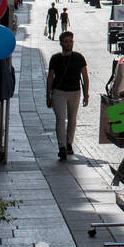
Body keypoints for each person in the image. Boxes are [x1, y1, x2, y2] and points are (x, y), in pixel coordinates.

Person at [46, 31, 89, 160]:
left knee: (72, 119)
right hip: (59, 92)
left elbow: (85, 77)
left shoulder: (79, 58)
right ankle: (62, 147)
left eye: (70, 41)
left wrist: (86, 95)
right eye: (66, 41)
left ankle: (69, 142)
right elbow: (50, 77)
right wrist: (48, 95)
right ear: (61, 43)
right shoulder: (55, 58)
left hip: (75, 92)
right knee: (60, 119)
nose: (68, 44)